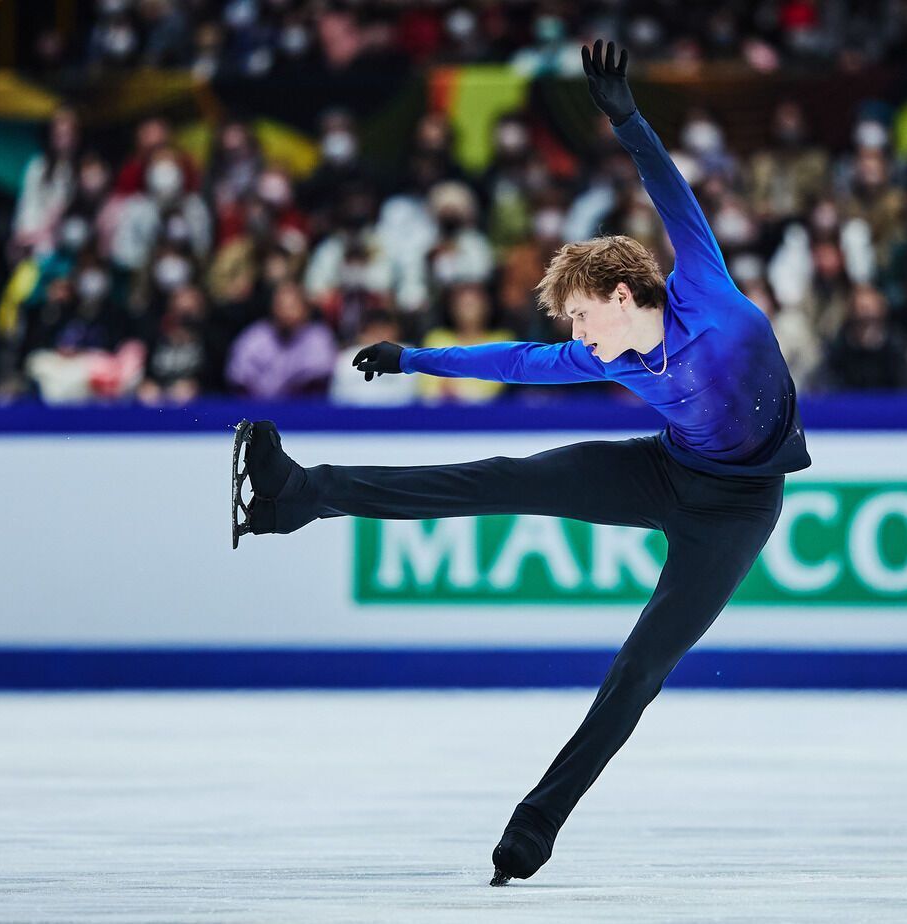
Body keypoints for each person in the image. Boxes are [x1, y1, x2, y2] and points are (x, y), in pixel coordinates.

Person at [229, 39, 810, 886]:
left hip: (738, 509)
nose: (575, 338)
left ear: (621, 295)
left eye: (580, 316)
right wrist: (416, 359)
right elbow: (514, 359)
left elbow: (668, 189)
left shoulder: (706, 292)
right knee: (502, 474)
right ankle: (295, 496)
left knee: (637, 669)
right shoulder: (604, 358)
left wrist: (624, 115)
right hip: (664, 469)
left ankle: (535, 826)